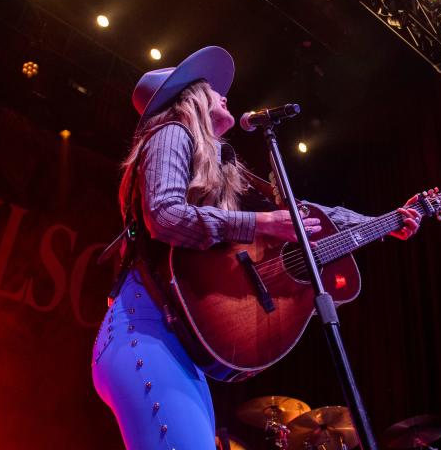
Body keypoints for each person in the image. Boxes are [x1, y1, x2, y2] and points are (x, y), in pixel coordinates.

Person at [91, 46, 422, 450]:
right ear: (189, 100)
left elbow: (310, 216)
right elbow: (163, 214)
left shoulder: (225, 164)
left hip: (171, 345)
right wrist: (261, 223)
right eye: (211, 89)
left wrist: (387, 222)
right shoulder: (172, 132)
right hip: (143, 332)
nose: (224, 93)